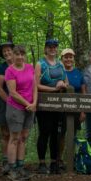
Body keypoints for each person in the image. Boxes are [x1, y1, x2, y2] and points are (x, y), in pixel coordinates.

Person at [35, 39, 69, 174]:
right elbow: (36, 85)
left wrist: (62, 84)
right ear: (45, 49)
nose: (52, 49)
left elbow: (67, 82)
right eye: (49, 47)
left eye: (55, 47)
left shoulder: (60, 65)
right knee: (45, 132)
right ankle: (42, 163)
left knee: (56, 133)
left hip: (58, 104)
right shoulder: (40, 64)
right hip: (44, 103)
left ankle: (54, 162)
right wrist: (53, 89)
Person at [4, 45, 37, 181]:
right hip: (16, 108)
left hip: (30, 107)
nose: (20, 57)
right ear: (13, 56)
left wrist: (34, 102)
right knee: (15, 137)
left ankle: (20, 166)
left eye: (22, 54)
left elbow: (34, 86)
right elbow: (12, 92)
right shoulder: (10, 71)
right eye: (17, 54)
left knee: (24, 137)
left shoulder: (30, 67)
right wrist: (27, 104)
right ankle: (12, 169)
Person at [0, 42, 15, 175]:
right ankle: (5, 161)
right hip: (5, 104)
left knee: (17, 133)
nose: (7, 53)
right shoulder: (1, 68)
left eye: (9, 50)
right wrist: (9, 102)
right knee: (5, 134)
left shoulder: (21, 65)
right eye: (4, 52)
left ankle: (17, 161)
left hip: (21, 103)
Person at [60, 48, 85, 138]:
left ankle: (72, 152)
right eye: (66, 57)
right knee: (60, 136)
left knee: (72, 135)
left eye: (70, 57)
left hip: (76, 110)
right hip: (60, 110)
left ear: (73, 59)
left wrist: (83, 112)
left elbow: (83, 93)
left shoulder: (78, 73)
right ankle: (59, 153)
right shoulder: (58, 72)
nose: (68, 59)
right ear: (61, 59)